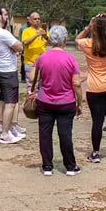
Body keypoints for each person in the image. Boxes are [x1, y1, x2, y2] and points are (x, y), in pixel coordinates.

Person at [29, 25, 83, 175]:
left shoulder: (42, 57)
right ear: (64, 40)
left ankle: (47, 166)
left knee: (45, 134)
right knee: (65, 134)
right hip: (66, 102)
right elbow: (77, 84)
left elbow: (31, 77)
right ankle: (70, 166)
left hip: (45, 101)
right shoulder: (70, 58)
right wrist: (80, 103)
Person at [76, 13, 106, 163]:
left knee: (97, 121)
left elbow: (77, 39)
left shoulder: (88, 44)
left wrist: (88, 26)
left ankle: (95, 153)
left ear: (94, 29)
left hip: (95, 87)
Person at [0, 6, 25, 144]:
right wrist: (14, 48)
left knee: (5, 101)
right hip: (7, 71)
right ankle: (5, 134)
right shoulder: (2, 33)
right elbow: (19, 46)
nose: (7, 17)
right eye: (6, 14)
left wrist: (11, 48)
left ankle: (7, 130)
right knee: (10, 103)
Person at [21, 12, 48, 93]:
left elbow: (50, 43)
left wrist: (45, 36)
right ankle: (30, 104)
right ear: (30, 20)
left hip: (43, 63)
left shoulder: (43, 31)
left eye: (38, 19)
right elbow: (25, 42)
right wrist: (37, 35)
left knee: (42, 86)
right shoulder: (26, 31)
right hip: (30, 63)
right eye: (35, 19)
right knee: (31, 86)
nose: (37, 20)